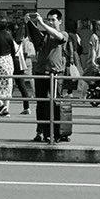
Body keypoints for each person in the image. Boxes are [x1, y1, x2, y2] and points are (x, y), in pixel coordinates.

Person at [27, 9, 70, 143]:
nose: (50, 22)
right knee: (41, 103)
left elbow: (58, 36)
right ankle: (40, 131)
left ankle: (56, 132)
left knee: (55, 103)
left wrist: (42, 24)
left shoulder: (63, 34)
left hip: (55, 73)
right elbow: (34, 39)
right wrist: (28, 23)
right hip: (41, 72)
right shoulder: (44, 35)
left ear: (60, 21)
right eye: (48, 20)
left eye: (53, 20)